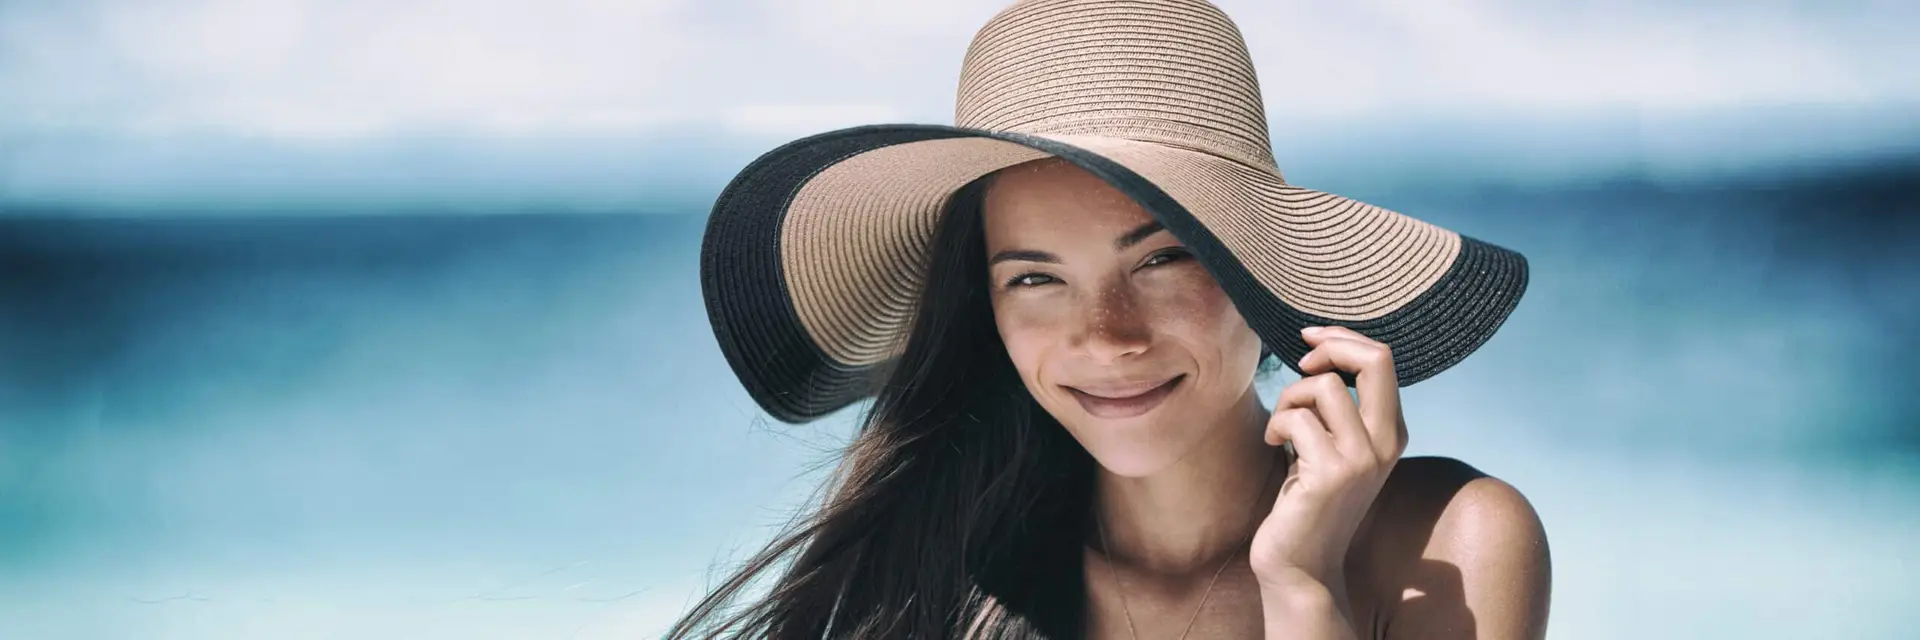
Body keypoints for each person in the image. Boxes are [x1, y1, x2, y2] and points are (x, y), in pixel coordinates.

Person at [676, 0, 1549, 637]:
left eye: (1161, 259)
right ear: (983, 307)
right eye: (1034, 280)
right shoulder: (947, 591)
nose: (1107, 334)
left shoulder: (1449, 546)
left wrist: (1303, 588)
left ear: (1263, 269)